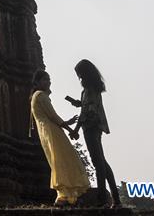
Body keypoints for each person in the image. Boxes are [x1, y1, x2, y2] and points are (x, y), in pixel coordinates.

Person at [30, 69, 91, 206]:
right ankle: (63, 195)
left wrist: (68, 124)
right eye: (45, 79)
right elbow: (53, 116)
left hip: (47, 132)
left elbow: (51, 117)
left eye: (49, 79)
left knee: (59, 161)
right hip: (52, 133)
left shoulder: (36, 96)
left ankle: (65, 195)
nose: (49, 82)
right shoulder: (40, 96)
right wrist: (71, 130)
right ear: (38, 82)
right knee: (63, 160)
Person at [68, 59, 121, 207]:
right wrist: (79, 103)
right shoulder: (89, 89)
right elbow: (86, 107)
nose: (79, 78)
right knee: (102, 162)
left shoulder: (89, 89)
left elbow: (87, 112)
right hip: (95, 127)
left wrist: (76, 129)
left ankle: (103, 199)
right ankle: (116, 199)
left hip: (91, 127)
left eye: (80, 75)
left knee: (98, 163)